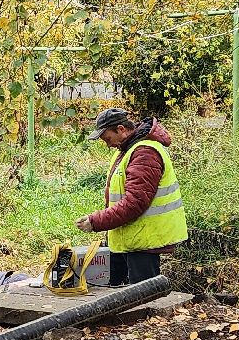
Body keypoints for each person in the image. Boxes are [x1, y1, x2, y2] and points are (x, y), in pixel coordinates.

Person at [74, 106, 185, 285]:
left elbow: (135, 202)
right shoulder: (128, 150)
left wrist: (96, 221)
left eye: (108, 138)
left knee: (143, 303)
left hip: (145, 241)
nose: (108, 145)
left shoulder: (145, 153)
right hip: (130, 239)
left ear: (121, 129)